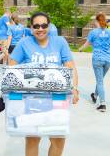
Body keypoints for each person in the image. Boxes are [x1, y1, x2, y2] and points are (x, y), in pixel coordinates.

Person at [9, 12, 79, 156]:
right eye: (36, 26)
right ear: (31, 28)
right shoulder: (24, 43)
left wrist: (75, 88)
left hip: (58, 98)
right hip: (32, 99)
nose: (40, 29)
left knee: (58, 140)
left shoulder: (60, 42)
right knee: (33, 139)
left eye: (44, 25)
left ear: (49, 25)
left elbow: (70, 66)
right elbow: (12, 66)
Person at [79, 13, 110, 112]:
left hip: (97, 59)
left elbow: (87, 44)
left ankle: (102, 104)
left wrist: (80, 49)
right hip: (107, 60)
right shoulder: (109, 32)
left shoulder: (93, 32)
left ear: (97, 21)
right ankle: (95, 95)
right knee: (100, 80)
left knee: (100, 81)